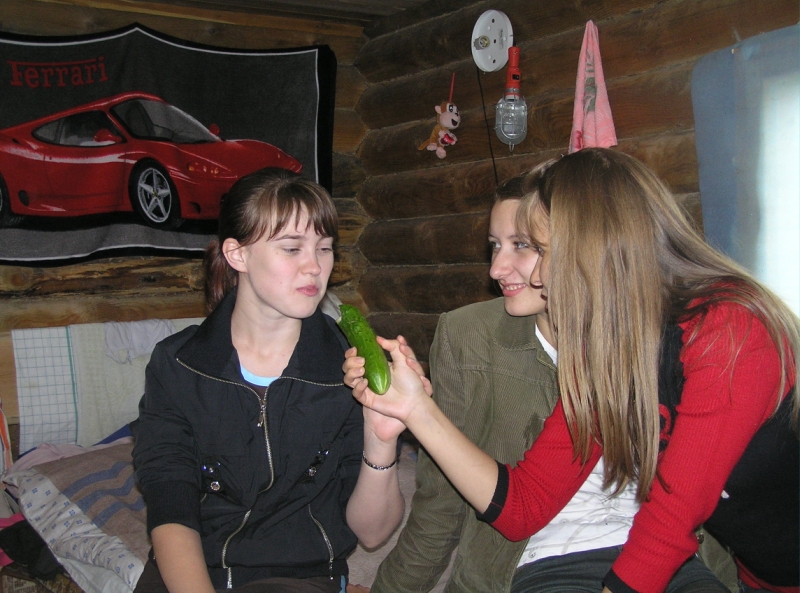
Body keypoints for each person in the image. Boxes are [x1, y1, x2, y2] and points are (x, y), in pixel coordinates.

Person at [345, 148, 799, 593]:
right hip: (759, 572)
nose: (536, 278)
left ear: (598, 244)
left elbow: (671, 521)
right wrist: (416, 408)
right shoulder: (610, 344)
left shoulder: (729, 328)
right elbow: (525, 504)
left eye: (540, 250)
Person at [132, 167, 405, 593]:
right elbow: (171, 504)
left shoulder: (347, 370)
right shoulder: (179, 364)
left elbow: (372, 533)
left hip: (298, 575)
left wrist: (382, 440)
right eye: (292, 248)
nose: (315, 267)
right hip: (191, 568)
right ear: (237, 255)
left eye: (325, 248)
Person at [370, 172, 561, 592]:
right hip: (504, 575)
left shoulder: (652, 340)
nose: (496, 269)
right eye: (495, 245)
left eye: (521, 244)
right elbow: (441, 498)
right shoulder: (466, 334)